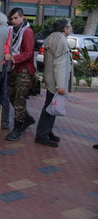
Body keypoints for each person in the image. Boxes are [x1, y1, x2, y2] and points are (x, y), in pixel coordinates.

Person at [35, 18, 72, 147]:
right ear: (64, 28)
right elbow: (60, 65)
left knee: (51, 105)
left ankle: (47, 131)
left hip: (50, 77)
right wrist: (61, 85)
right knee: (50, 107)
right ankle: (41, 135)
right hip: (56, 81)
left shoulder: (52, 37)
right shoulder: (61, 40)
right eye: (69, 26)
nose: (70, 28)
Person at [4, 7, 36, 141]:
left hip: (24, 69)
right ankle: (26, 118)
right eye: (12, 18)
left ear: (22, 17)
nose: (13, 20)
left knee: (19, 98)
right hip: (14, 68)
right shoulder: (12, 31)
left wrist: (13, 58)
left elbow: (28, 53)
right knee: (11, 96)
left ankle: (18, 126)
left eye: (16, 18)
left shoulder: (27, 31)